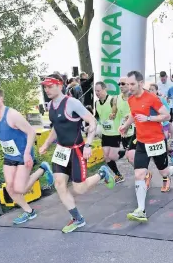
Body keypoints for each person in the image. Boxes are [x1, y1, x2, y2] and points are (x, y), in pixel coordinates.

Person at [38, 74, 115, 233]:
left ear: (60, 86)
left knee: (79, 189)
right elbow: (56, 127)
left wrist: (88, 144)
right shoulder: (50, 105)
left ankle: (102, 173)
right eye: (45, 87)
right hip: (61, 150)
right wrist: (46, 143)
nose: (47, 89)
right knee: (59, 184)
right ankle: (77, 219)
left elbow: (92, 121)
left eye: (50, 86)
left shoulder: (71, 103)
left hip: (77, 150)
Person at [119, 71, 173, 223]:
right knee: (139, 175)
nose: (129, 87)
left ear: (141, 83)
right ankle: (141, 210)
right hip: (142, 142)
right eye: (128, 84)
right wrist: (125, 125)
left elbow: (167, 116)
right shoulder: (131, 99)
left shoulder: (151, 98)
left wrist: (148, 118)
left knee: (164, 171)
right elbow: (134, 114)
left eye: (132, 84)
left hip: (156, 141)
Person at [0, 87, 54, 225]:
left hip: (23, 154)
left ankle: (42, 169)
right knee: (10, 188)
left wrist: (27, 153)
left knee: (20, 189)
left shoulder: (12, 115)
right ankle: (29, 212)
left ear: (0, 99)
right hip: (9, 155)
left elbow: (31, 132)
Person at [94, 82, 125, 183]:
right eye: (95, 91)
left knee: (112, 156)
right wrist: (92, 124)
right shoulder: (97, 103)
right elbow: (97, 116)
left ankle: (125, 151)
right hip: (105, 133)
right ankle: (118, 175)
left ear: (104, 89)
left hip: (115, 132)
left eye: (98, 91)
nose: (97, 93)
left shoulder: (113, 100)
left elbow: (122, 113)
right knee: (106, 157)